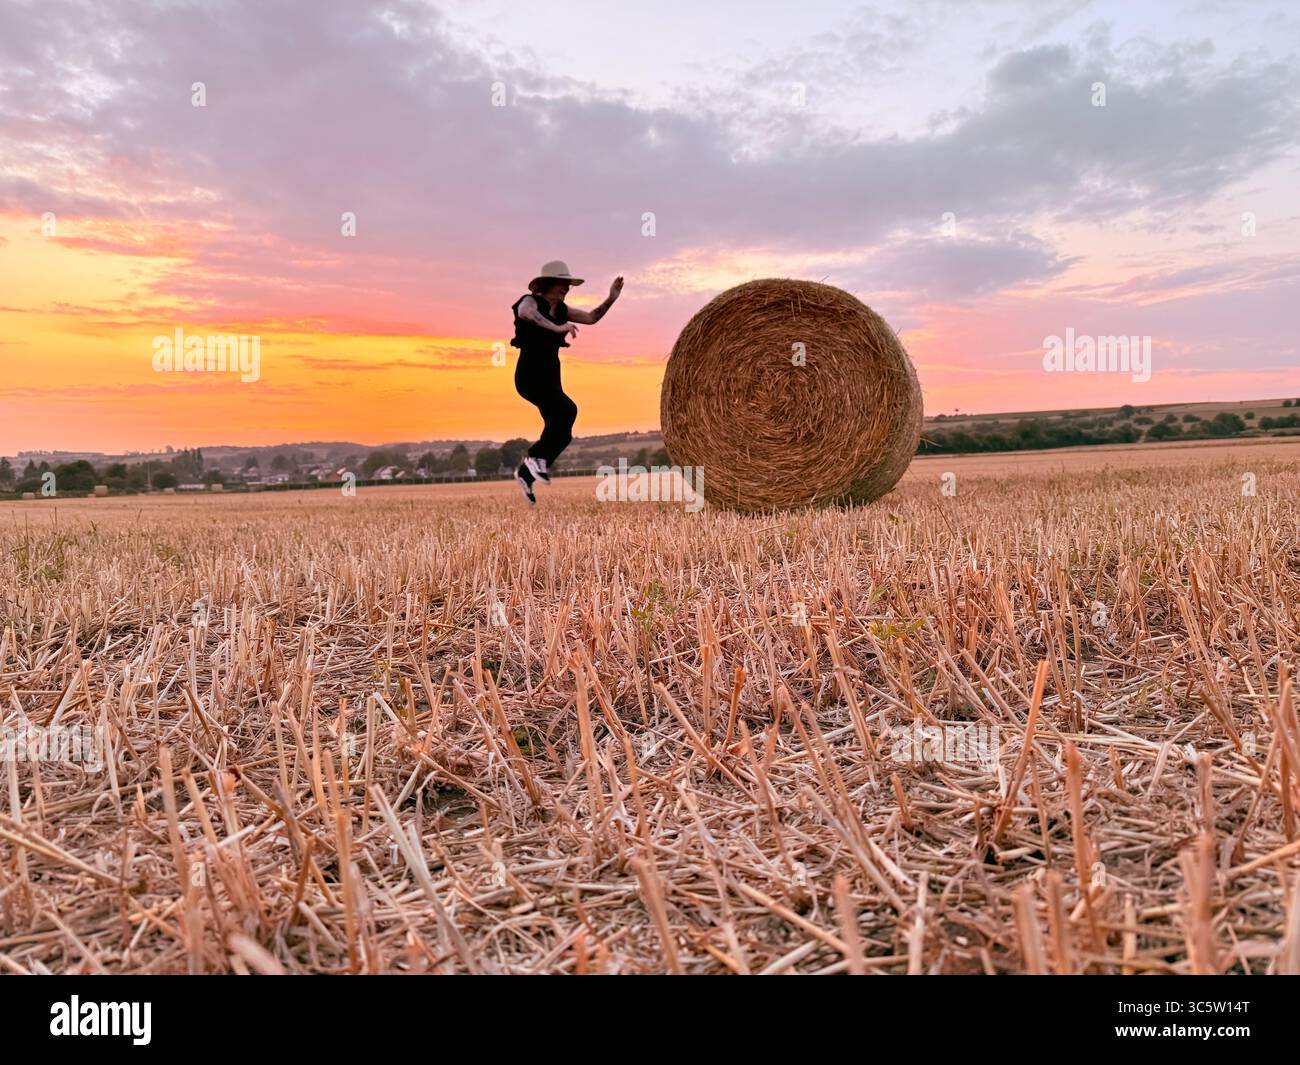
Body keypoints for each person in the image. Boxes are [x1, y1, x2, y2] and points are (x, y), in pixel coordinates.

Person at [510, 260, 623, 504]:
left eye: (568, 284)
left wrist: (611, 297)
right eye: (563, 283)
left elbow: (592, 317)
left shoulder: (562, 309)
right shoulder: (530, 301)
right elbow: (526, 314)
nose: (567, 288)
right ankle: (534, 457)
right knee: (567, 409)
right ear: (547, 284)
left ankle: (526, 474)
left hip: (551, 374)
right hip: (530, 374)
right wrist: (557, 327)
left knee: (562, 430)